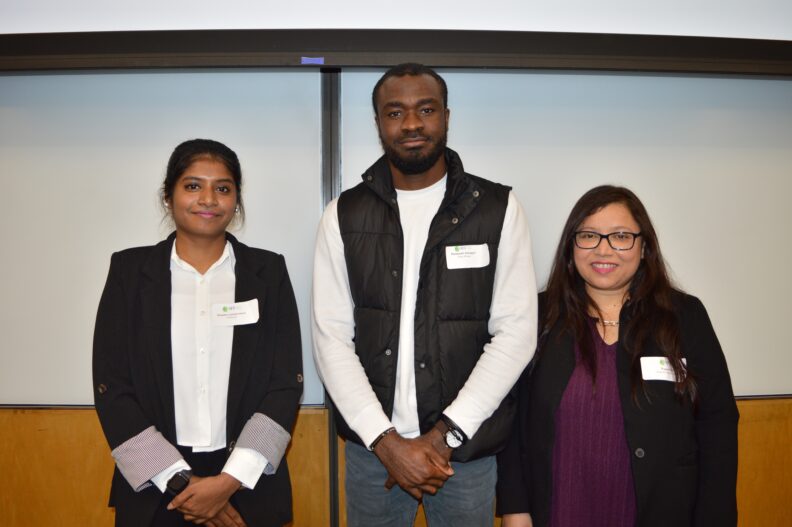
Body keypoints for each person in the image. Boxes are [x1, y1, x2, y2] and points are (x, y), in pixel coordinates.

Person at [312, 63, 537, 525]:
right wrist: (385, 441)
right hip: (372, 455)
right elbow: (331, 337)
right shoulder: (344, 213)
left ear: (447, 117)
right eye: (395, 112)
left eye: (426, 109)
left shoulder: (496, 208)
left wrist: (444, 437)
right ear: (378, 124)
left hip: (465, 455)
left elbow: (516, 333)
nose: (412, 124)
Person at [497, 185, 739, 527]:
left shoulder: (685, 316)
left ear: (644, 247)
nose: (604, 249)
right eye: (589, 236)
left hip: (662, 510)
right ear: (571, 247)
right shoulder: (537, 316)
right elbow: (511, 421)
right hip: (561, 508)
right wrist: (515, 508)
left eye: (621, 236)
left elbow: (718, 426)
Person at [93, 139, 303, 527]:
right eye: (192, 186)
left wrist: (228, 482)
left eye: (222, 188)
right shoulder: (129, 273)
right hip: (155, 488)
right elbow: (113, 387)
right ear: (167, 197)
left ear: (236, 201)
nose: (208, 198)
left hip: (249, 484)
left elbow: (284, 383)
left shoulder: (267, 273)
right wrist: (181, 484)